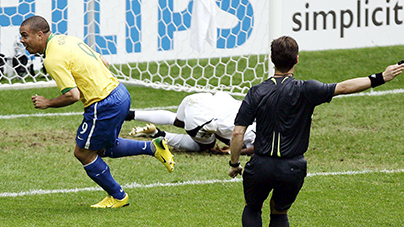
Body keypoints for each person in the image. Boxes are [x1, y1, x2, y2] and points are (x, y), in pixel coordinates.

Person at [227, 36, 404, 227]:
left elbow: (238, 133)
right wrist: (381, 77)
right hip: (292, 167)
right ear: (297, 59)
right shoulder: (306, 89)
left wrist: (235, 163)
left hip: (261, 165)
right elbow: (344, 87)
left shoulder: (256, 92)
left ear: (271, 58)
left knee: (252, 208)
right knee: (279, 213)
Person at [19, 15, 175, 208]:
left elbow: (72, 95)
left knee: (83, 152)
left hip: (103, 104)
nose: (22, 41)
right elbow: (105, 62)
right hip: (120, 92)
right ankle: (153, 147)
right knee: (101, 148)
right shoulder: (68, 39)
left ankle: (118, 197)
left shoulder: (52, 59)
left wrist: (47, 102)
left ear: (40, 34)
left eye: (25, 35)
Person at [126, 92, 255, 155]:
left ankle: (130, 114)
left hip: (199, 98)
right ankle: (158, 134)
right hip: (204, 119)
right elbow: (256, 148)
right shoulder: (260, 134)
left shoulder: (253, 107)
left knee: (176, 120)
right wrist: (231, 152)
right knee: (206, 146)